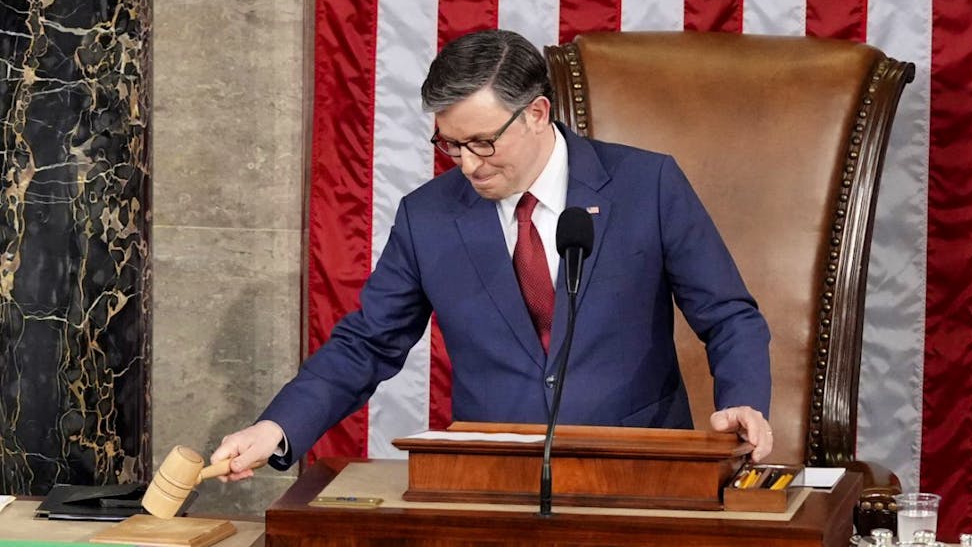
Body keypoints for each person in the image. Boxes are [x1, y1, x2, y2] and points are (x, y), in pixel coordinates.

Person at [211, 29, 773, 481]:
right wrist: (278, 427)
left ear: (536, 113)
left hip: (639, 471)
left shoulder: (646, 185)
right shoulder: (427, 216)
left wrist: (743, 402)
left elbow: (728, 316)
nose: (467, 164)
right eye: (450, 144)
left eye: (482, 142)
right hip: (494, 479)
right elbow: (367, 342)